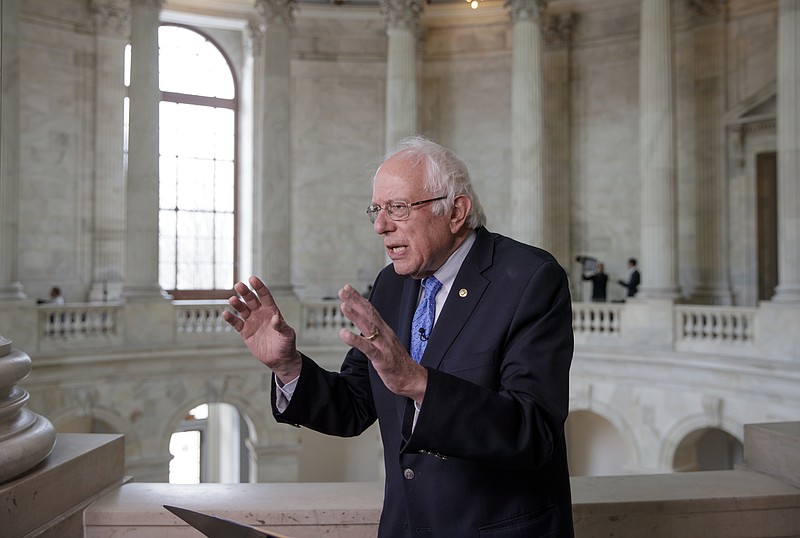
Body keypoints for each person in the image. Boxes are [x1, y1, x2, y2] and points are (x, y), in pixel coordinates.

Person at [223, 136, 575, 537]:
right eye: (376, 209)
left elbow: (533, 432)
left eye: (398, 208)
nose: (380, 225)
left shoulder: (530, 279)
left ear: (456, 211)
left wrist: (419, 383)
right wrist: (288, 366)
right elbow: (355, 405)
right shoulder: (391, 284)